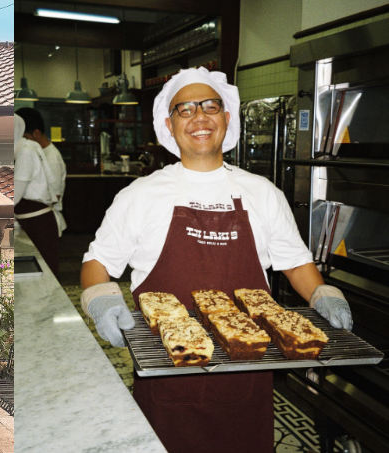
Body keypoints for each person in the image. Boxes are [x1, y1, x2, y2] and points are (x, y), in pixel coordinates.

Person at [79, 67, 352, 453]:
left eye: (210, 106)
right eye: (185, 109)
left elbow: (294, 262)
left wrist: (323, 292)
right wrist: (100, 299)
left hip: (247, 376)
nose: (199, 117)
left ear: (227, 118)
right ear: (168, 125)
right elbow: (97, 263)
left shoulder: (262, 193)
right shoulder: (140, 195)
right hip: (167, 377)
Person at [14, 112, 60, 277]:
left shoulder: (26, 152)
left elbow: (15, 195)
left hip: (39, 224)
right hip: (35, 222)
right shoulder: (26, 148)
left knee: (45, 276)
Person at [16, 107, 67, 237]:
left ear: (36, 133)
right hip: (37, 219)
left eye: (23, 137)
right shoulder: (36, 151)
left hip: (44, 220)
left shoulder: (51, 157)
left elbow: (55, 195)